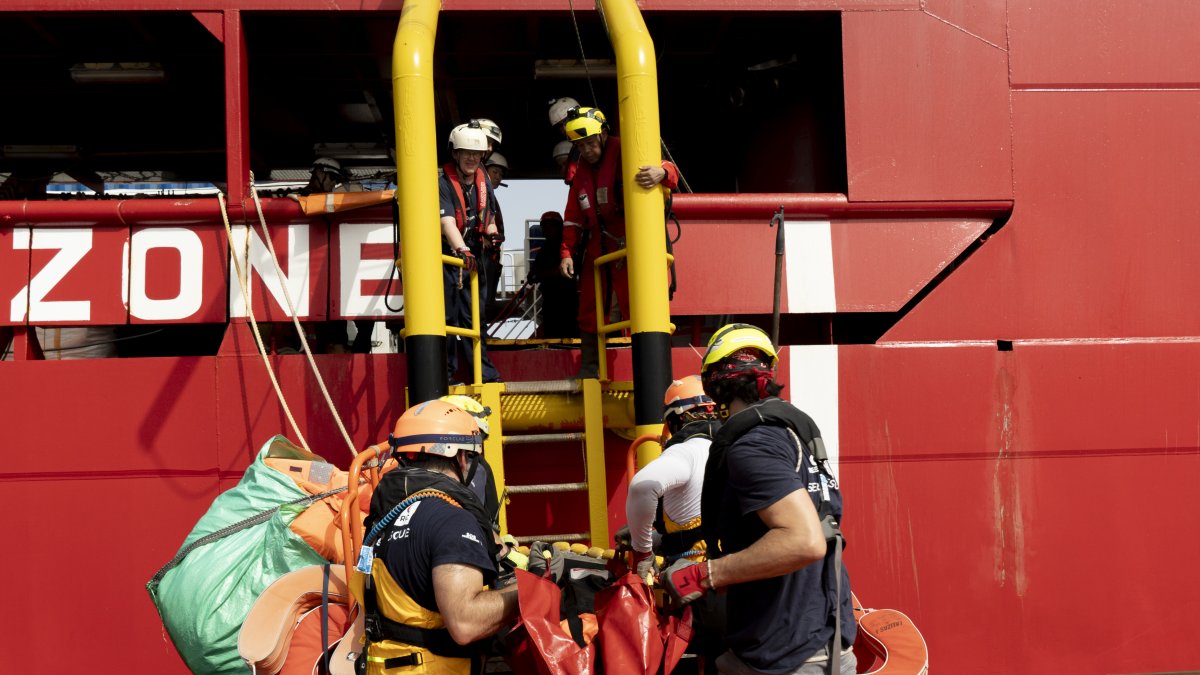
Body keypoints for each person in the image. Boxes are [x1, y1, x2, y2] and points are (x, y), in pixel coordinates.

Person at [663, 323, 857, 675]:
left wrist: (703, 575)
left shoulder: (752, 446)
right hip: (826, 642)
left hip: (784, 655)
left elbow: (804, 541)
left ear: (714, 384)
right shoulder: (793, 436)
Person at [358, 399, 518, 674]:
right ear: (461, 457)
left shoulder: (384, 516)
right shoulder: (451, 519)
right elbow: (464, 623)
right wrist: (530, 592)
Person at [557, 105, 679, 378]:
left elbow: (668, 170)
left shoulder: (626, 149)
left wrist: (663, 173)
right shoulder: (582, 172)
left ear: (602, 135)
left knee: (639, 305)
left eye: (590, 142)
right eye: (581, 145)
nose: (587, 150)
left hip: (632, 243)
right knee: (589, 307)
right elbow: (573, 216)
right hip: (598, 246)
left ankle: (650, 371)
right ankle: (590, 370)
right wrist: (566, 251)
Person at [618, 375, 719, 577]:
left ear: (675, 420)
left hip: (692, 575)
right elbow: (698, 523)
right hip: (727, 567)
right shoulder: (731, 448)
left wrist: (642, 549)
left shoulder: (686, 451)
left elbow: (642, 487)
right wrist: (653, 538)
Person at [439, 123, 502, 384]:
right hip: (449, 257)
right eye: (466, 153)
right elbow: (446, 223)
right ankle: (447, 375)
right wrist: (461, 249)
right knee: (447, 317)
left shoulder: (482, 181)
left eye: (476, 154)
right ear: (455, 153)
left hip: (472, 259)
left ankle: (483, 374)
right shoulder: (442, 183)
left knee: (475, 317)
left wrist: (491, 232)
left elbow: (489, 215)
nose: (471, 158)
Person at [528, 211, 579, 339]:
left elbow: (569, 270)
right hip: (550, 301)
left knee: (569, 334)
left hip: (568, 301)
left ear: (559, 227)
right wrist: (534, 275)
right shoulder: (544, 250)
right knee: (552, 334)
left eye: (550, 226)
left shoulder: (568, 248)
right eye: (544, 226)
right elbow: (533, 273)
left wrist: (541, 274)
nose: (546, 230)